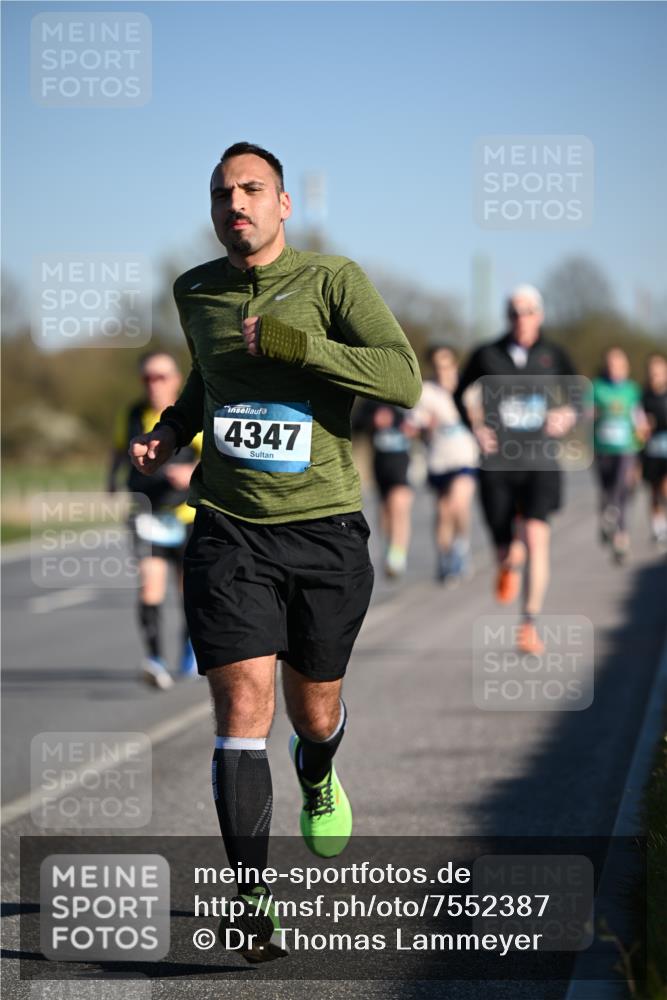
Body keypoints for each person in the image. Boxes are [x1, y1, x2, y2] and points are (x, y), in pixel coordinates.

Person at [128, 142, 421, 962]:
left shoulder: (335, 283)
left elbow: (402, 380)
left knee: (312, 709)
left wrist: (305, 348)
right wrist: (172, 430)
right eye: (223, 193)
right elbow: (206, 376)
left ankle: (318, 769)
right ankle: (253, 900)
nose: (237, 205)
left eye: (253, 190)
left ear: (283, 204)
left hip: (324, 531)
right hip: (226, 526)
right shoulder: (196, 291)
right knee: (239, 712)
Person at [454, 285, 577, 655]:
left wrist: (567, 415)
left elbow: (578, 395)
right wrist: (474, 428)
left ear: (539, 315)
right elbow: (459, 394)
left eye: (527, 311)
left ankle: (529, 624)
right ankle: (507, 561)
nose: (520, 319)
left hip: (540, 460)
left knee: (537, 537)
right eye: (513, 312)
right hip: (498, 464)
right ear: (506, 317)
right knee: (508, 548)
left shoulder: (554, 354)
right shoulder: (486, 354)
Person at [109, 351, 202, 690]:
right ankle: (155, 660)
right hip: (146, 513)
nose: (154, 384)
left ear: (176, 380)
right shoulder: (132, 414)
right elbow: (120, 449)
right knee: (150, 584)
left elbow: (215, 457)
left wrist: (191, 472)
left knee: (188, 590)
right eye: (148, 378)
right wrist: (111, 479)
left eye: (161, 377)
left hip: (187, 514)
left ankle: (189, 649)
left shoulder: (191, 413)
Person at [408, 344, 479, 583]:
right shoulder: (426, 392)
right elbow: (413, 425)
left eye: (446, 365)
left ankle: (461, 548)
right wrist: (423, 425)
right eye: (438, 366)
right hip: (438, 458)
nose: (442, 371)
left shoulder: (468, 388)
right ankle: (445, 556)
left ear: (454, 365)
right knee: (443, 511)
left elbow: (482, 417)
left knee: (458, 503)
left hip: (465, 454)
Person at [590, 347, 648, 563]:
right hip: (603, 448)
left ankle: (621, 540)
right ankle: (606, 520)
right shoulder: (596, 387)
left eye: (618, 365)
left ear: (626, 367)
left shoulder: (632, 390)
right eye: (611, 364)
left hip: (626, 447)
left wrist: (642, 430)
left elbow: (638, 414)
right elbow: (587, 411)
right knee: (606, 489)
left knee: (622, 488)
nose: (614, 369)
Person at [354, 400, 415, 578]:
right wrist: (373, 421)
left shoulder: (406, 397)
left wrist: (412, 428)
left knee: (399, 505)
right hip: (381, 465)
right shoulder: (372, 402)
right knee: (386, 510)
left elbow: (423, 421)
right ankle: (390, 548)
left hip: (403, 464)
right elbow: (356, 424)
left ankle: (398, 553)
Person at [641, 352, 667, 547]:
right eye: (652, 373)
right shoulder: (643, 397)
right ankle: (658, 529)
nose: (655, 376)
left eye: (658, 372)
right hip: (651, 452)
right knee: (654, 492)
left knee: (665, 489)